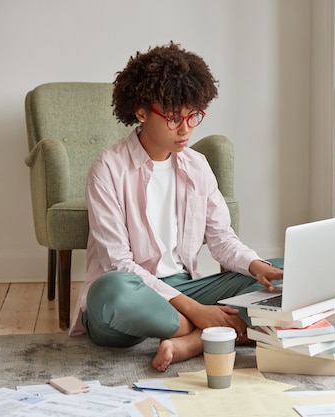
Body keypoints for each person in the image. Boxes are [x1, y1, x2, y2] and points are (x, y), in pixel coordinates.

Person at [68, 42, 283, 371]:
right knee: (110, 292)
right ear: (141, 113)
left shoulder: (197, 165)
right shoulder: (108, 169)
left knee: (283, 276)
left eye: (193, 116)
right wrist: (196, 310)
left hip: (185, 286)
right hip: (133, 295)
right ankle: (207, 329)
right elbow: (119, 264)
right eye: (172, 118)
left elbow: (222, 239)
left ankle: (192, 341)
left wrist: (256, 266)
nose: (185, 129)